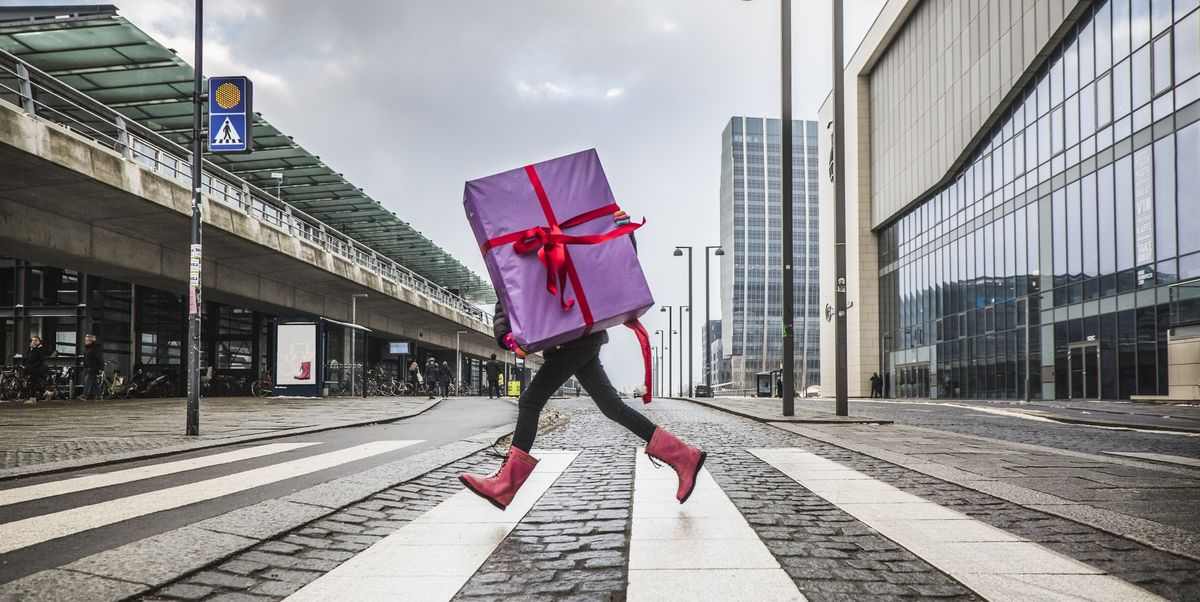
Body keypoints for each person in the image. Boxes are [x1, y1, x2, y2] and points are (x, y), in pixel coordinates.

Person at [460, 210, 706, 510]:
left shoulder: (567, 234)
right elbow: (505, 299)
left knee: (531, 401)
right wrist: (507, 338)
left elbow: (607, 262)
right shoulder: (515, 253)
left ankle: (506, 485)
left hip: (580, 338)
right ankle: (684, 456)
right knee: (612, 407)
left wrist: (623, 231)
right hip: (566, 343)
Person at [23, 335, 50, 403]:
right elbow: (28, 357)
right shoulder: (31, 348)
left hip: (37, 369)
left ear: (38, 341)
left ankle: (33, 398)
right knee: (34, 383)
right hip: (31, 369)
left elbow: (41, 360)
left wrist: (33, 366)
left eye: (35, 340)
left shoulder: (40, 348)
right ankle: (46, 392)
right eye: (32, 340)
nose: (33, 342)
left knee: (33, 383)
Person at [80, 334, 103, 400]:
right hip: (87, 368)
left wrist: (101, 368)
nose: (85, 341)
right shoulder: (87, 348)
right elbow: (86, 358)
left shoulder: (95, 349)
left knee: (88, 381)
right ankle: (99, 395)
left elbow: (99, 359)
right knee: (94, 382)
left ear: (91, 341)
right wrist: (84, 364)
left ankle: (85, 395)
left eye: (87, 340)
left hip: (93, 368)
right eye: (85, 340)